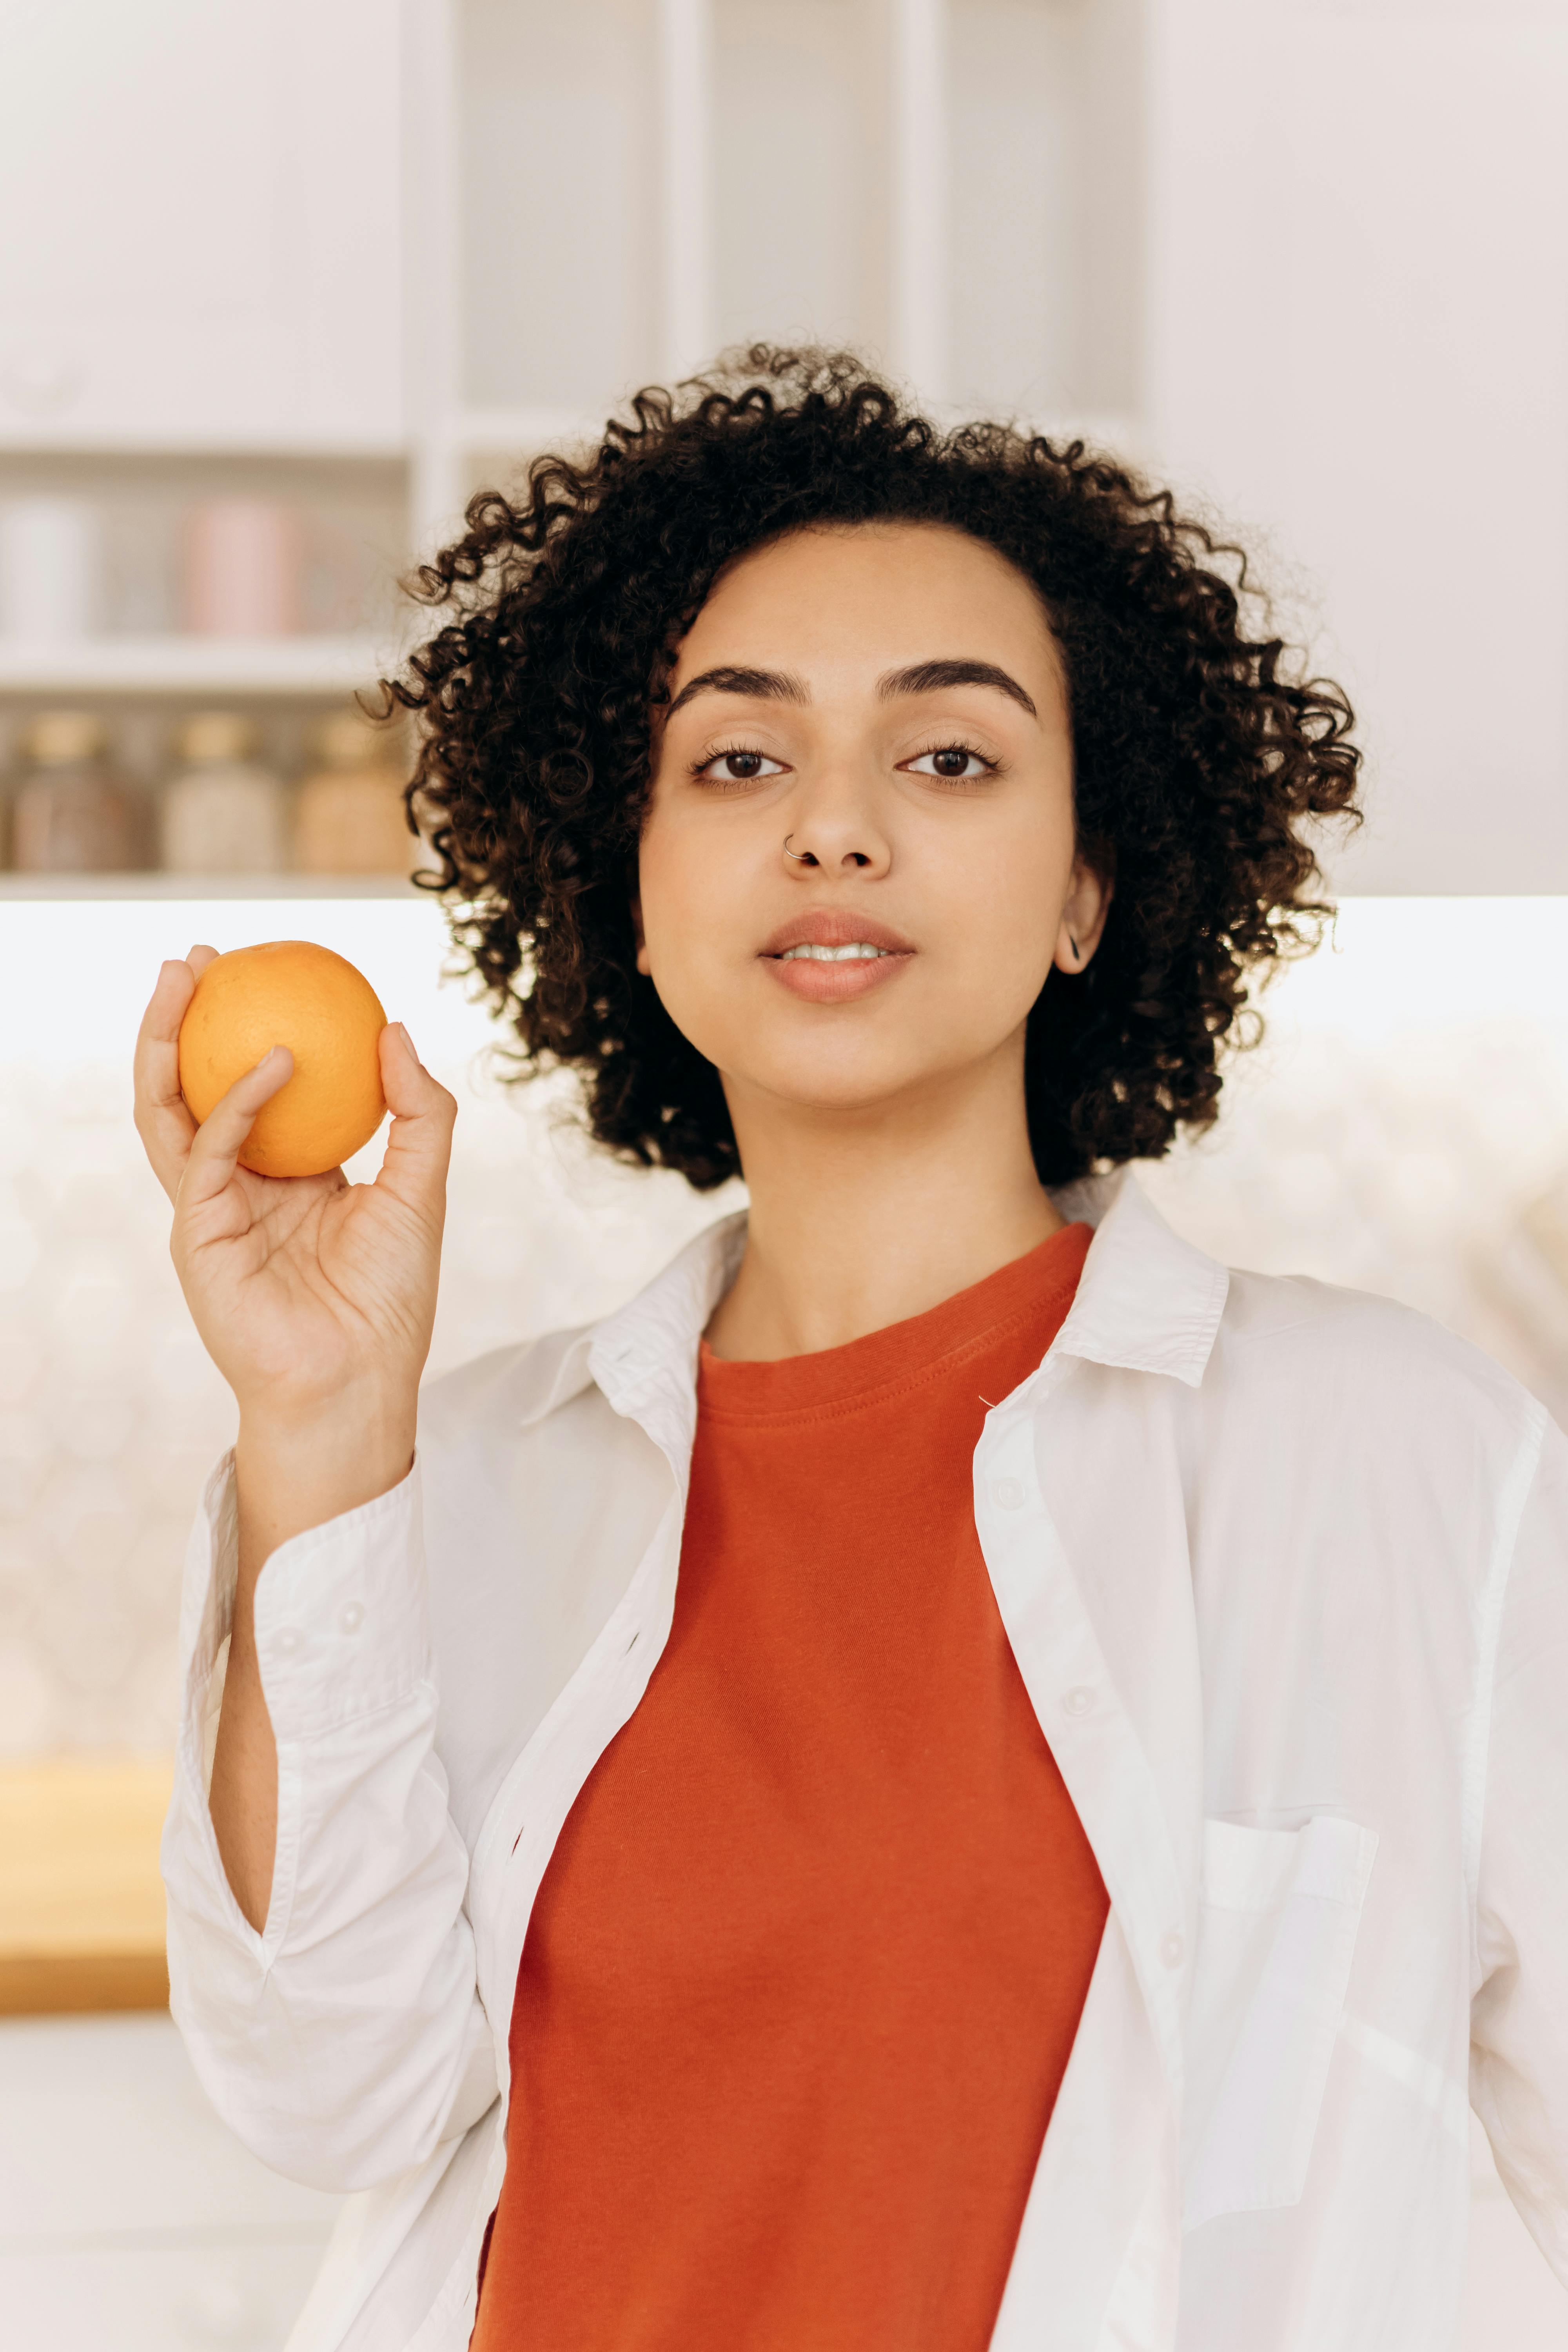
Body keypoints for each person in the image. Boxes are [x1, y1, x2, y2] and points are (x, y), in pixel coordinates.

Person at [136, 350, 1568, 2352]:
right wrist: (310, 1428)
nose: (831, 831)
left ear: (1087, 888)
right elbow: (329, 2089)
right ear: (625, 886)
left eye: (950, 760)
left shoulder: (1403, 1463)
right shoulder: (450, 1479)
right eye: (735, 762)